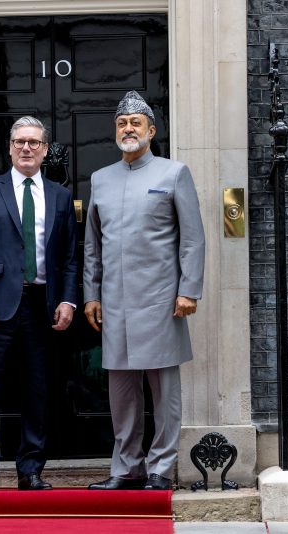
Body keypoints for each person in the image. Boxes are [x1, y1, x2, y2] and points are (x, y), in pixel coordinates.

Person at [83, 91, 205, 490]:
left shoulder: (173, 173)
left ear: (152, 130)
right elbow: (93, 245)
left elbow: (192, 238)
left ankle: (160, 469)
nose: (128, 128)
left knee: (163, 391)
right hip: (115, 303)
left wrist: (189, 290)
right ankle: (126, 468)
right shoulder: (100, 179)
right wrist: (91, 294)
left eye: (136, 122)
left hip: (162, 301)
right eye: (122, 123)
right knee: (121, 392)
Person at [0, 116, 78, 491]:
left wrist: (69, 300)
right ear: (10, 147)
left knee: (37, 390)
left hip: (42, 306)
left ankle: (30, 469)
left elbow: (70, 257)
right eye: (19, 142)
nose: (26, 148)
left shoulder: (60, 197)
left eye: (33, 142)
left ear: (45, 149)